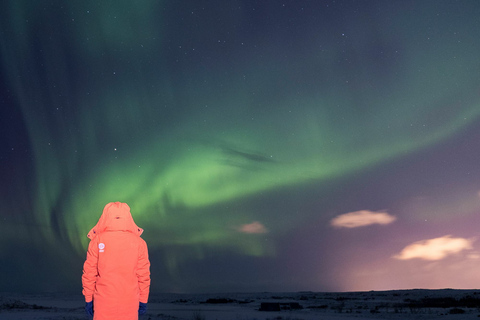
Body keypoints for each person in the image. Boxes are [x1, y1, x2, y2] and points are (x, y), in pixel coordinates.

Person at [82, 202, 151, 319]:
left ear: (105, 216)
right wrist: (143, 300)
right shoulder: (139, 243)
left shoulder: (97, 241)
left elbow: (89, 273)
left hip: (103, 302)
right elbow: (143, 275)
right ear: (128, 217)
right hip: (130, 302)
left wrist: (89, 299)